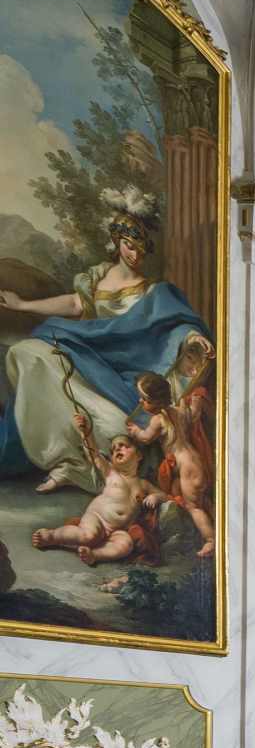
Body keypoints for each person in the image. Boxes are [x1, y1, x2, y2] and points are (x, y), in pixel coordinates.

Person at [0, 194, 213, 496]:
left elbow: (178, 323)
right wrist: (23, 304)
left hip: (125, 374)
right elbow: (74, 303)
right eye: (128, 245)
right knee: (28, 353)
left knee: (113, 423)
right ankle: (62, 458)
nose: (134, 253)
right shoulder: (97, 277)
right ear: (117, 242)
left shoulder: (156, 291)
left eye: (140, 248)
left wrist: (193, 337)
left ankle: (77, 467)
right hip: (88, 353)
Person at [33, 415, 162, 565]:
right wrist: (86, 432)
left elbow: (164, 495)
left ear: (139, 455)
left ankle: (94, 554)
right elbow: (93, 454)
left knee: (126, 545)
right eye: (113, 450)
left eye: (123, 446)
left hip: (119, 529)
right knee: (88, 536)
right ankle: (52, 536)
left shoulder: (144, 484)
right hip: (98, 518)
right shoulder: (112, 473)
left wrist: (156, 497)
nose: (117, 449)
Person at [126, 371, 216, 556]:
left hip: (187, 468)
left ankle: (211, 540)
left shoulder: (158, 420)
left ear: (156, 401)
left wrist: (135, 431)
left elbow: (146, 438)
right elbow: (192, 416)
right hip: (196, 461)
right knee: (204, 500)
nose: (140, 403)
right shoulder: (178, 410)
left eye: (144, 399)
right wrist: (195, 405)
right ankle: (221, 531)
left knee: (194, 507)